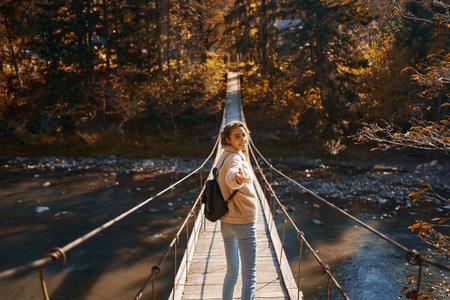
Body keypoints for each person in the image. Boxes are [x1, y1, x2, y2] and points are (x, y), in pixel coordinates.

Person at [217, 120, 258, 300]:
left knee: (231, 273)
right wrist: (238, 179)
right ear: (228, 140)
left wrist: (236, 179)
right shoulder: (235, 158)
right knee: (249, 276)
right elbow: (231, 175)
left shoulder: (223, 155)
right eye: (237, 136)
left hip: (226, 222)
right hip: (243, 222)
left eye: (244, 135)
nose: (242, 139)